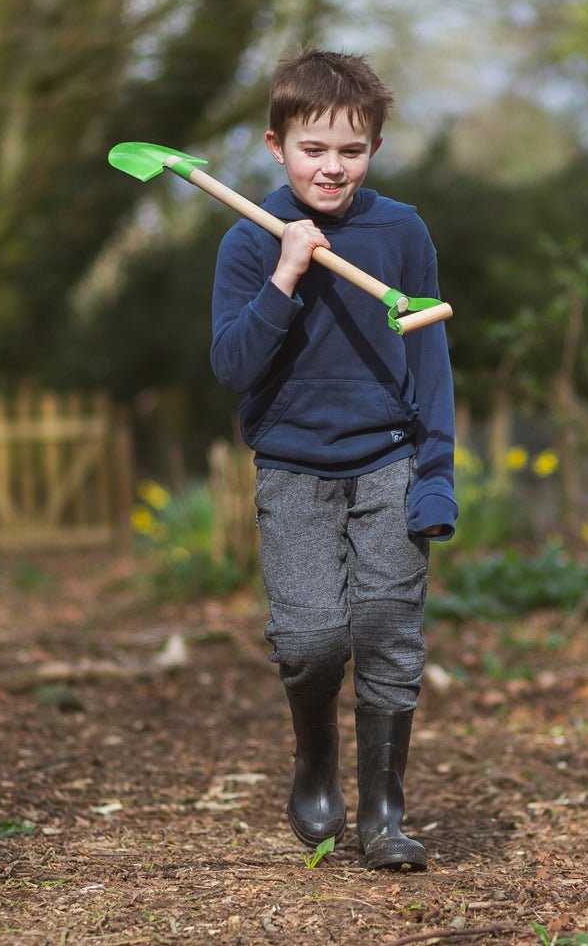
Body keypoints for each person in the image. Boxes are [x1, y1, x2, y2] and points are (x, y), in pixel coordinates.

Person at [209, 45, 458, 871]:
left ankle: (385, 809)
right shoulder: (250, 241)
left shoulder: (401, 233)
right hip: (291, 464)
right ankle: (314, 754)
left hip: (389, 456)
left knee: (387, 627)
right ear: (276, 146)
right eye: (313, 149)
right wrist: (283, 275)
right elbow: (232, 368)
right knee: (311, 638)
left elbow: (430, 358)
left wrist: (436, 474)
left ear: (374, 150)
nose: (332, 166)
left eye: (351, 150)